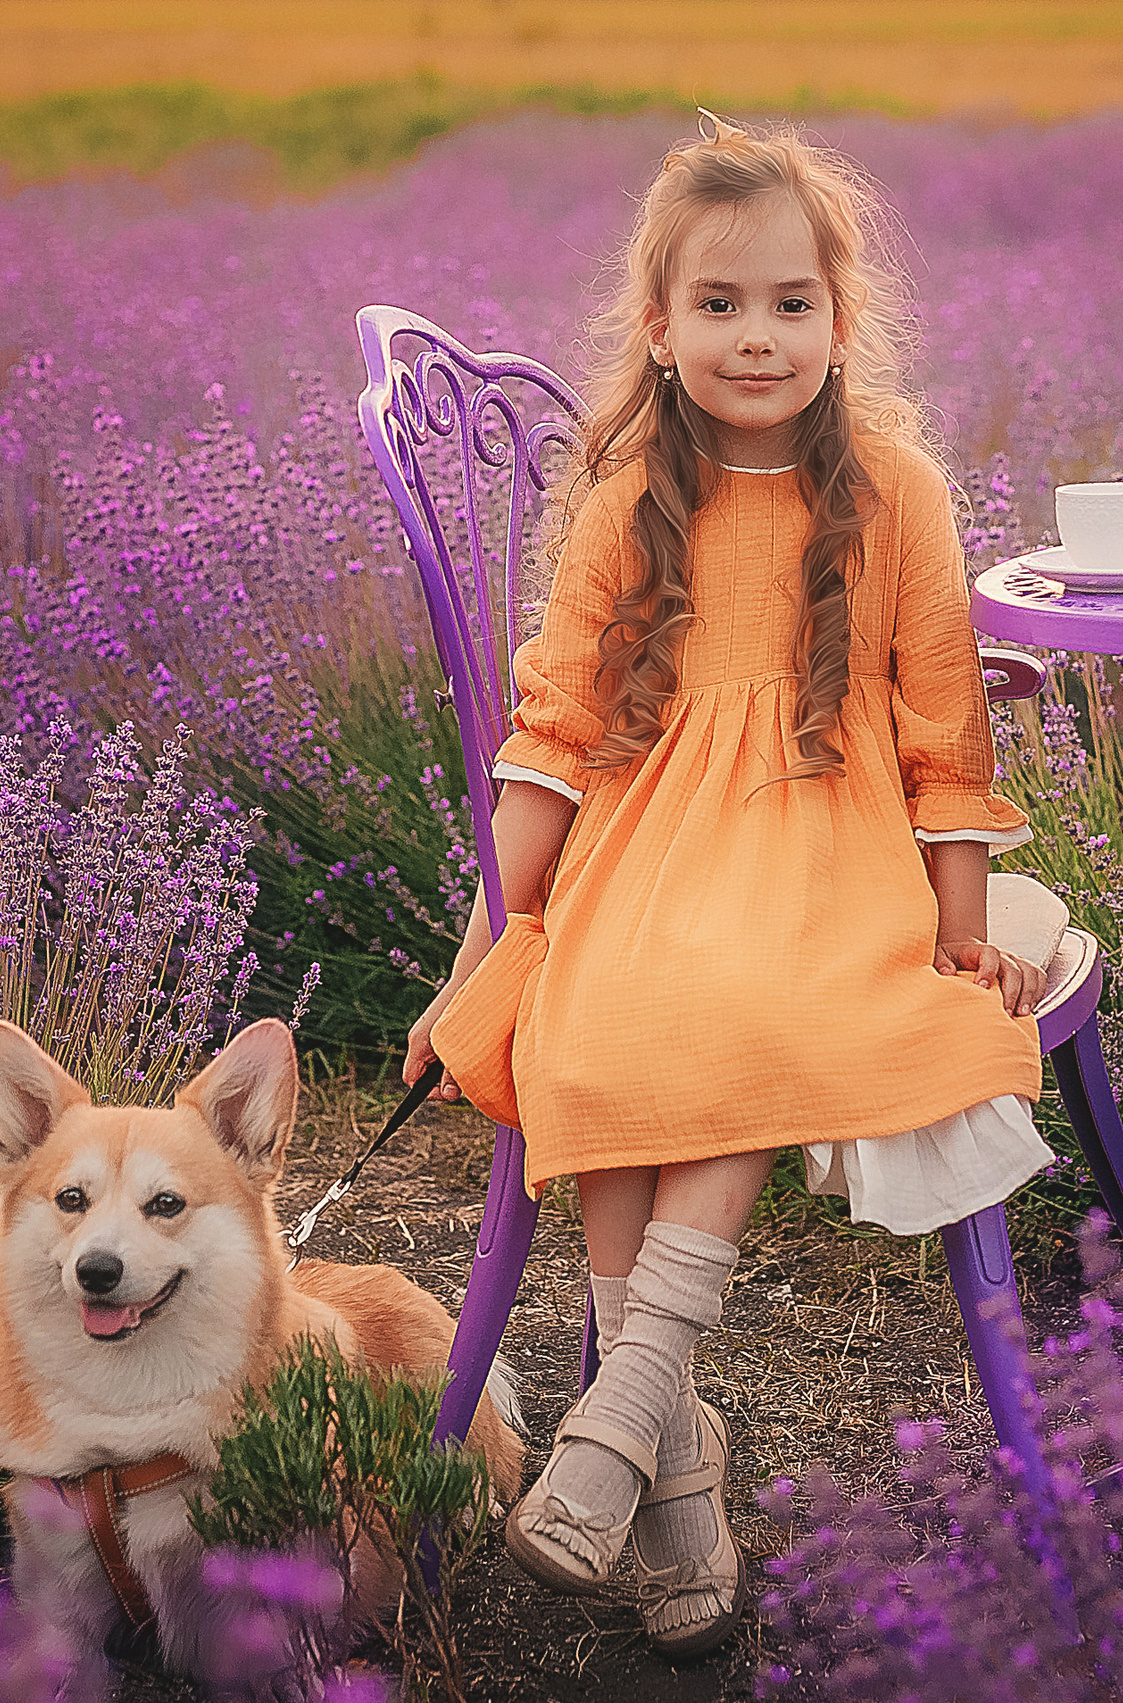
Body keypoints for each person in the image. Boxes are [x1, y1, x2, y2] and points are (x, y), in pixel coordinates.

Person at [400, 116, 1051, 1658]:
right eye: (717, 305)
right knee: (608, 1011)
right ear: (658, 326)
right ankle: (671, 1473)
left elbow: (949, 740)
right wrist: (476, 948)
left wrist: (964, 931)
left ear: (841, 319)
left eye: (789, 304)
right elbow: (553, 736)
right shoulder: (634, 492)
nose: (755, 337)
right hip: (649, 844)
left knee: (755, 1004)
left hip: (833, 852)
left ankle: (619, 1417)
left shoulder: (895, 490)